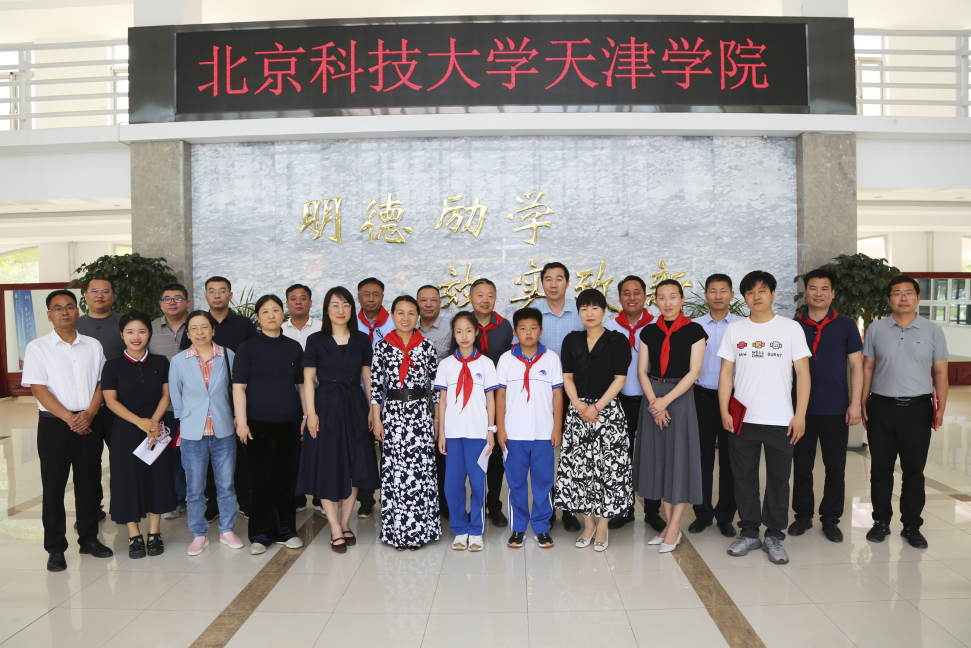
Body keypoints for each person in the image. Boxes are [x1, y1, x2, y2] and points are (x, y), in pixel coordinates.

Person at [718, 271, 811, 565]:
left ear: (772, 293)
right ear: (743, 297)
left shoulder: (790, 328)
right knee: (743, 478)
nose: (756, 296)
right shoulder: (735, 330)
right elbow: (726, 373)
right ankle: (748, 532)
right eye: (750, 292)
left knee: (778, 480)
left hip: (781, 419)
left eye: (762, 290)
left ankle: (774, 534)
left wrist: (800, 415)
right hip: (743, 419)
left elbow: (803, 374)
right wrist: (724, 410)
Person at [21, 289, 113, 572]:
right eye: (58, 308)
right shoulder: (38, 347)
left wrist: (90, 413)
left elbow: (102, 383)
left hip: (89, 421)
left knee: (88, 483)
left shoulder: (93, 345)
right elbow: (38, 388)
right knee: (53, 486)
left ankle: (89, 539)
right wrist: (70, 418)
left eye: (69, 306)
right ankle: (55, 548)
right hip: (55, 425)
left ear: (77, 311)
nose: (64, 311)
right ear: (49, 315)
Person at [862, 275, 948, 549]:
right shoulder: (876, 329)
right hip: (881, 407)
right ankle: (880, 522)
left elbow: (940, 372)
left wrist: (941, 407)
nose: (903, 298)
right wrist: (863, 402)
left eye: (908, 293)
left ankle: (911, 526)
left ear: (917, 298)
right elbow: (867, 367)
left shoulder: (933, 330)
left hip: (917, 409)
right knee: (880, 469)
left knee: (914, 471)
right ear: (889, 299)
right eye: (897, 293)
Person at [296, 286, 380, 554]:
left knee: (354, 468)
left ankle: (345, 523)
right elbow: (308, 378)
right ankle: (334, 528)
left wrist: (373, 409)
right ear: (326, 310)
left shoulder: (362, 339)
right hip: (326, 407)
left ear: (352, 309)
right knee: (328, 467)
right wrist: (310, 413)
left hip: (355, 406)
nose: (341, 310)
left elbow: (367, 377)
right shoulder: (316, 340)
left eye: (345, 305)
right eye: (335, 305)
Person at [789, 268, 864, 544]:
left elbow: (857, 367)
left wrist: (855, 403)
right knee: (802, 466)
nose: (818, 293)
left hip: (835, 408)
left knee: (835, 467)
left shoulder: (846, 325)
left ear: (832, 293)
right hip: (801, 410)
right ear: (805, 292)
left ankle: (831, 519)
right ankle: (802, 516)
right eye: (813, 288)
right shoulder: (792, 326)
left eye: (824, 289)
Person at [555, 289, 632, 552]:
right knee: (581, 470)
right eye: (584, 309)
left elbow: (620, 379)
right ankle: (588, 524)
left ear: (604, 310)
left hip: (607, 413)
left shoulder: (617, 340)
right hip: (578, 413)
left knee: (608, 469)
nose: (589, 313)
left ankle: (603, 525)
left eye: (595, 308)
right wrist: (579, 406)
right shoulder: (571, 340)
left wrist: (596, 407)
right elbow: (567, 377)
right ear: (579, 312)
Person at [636, 280, 707, 553]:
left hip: (680, 398)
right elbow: (642, 371)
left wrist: (665, 401)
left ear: (682, 299)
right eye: (662, 297)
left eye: (673, 297)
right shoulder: (648, 332)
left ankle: (675, 527)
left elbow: (694, 372)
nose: (667, 303)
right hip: (653, 396)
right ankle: (668, 525)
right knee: (661, 462)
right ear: (655, 301)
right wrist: (655, 403)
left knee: (679, 462)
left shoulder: (695, 331)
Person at [233, 295, 306, 555]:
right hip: (257, 423)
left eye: (275, 310)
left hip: (290, 421)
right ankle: (260, 535)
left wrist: (306, 416)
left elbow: (302, 386)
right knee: (261, 481)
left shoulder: (293, 347)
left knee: (286, 480)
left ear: (282, 313)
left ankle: (286, 531)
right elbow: (239, 388)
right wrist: (242, 422)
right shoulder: (247, 348)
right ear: (258, 317)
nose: (271, 315)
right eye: (265, 311)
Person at [179, 276, 256, 523]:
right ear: (205, 295)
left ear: (230, 295)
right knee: (206, 465)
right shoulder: (195, 325)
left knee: (239, 459)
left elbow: (252, 358)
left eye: (222, 291)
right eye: (212, 291)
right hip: (201, 412)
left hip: (233, 405)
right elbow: (183, 371)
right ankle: (212, 505)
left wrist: (240, 412)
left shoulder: (244, 325)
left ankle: (244, 502)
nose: (217, 295)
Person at [102, 311, 177, 559]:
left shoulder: (161, 363)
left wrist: (153, 422)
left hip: (156, 429)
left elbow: (166, 395)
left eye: (142, 331)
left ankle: (154, 532)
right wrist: (139, 422)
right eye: (130, 332)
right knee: (126, 479)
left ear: (149, 334)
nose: (136, 336)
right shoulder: (112, 365)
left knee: (157, 478)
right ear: (122, 335)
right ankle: (134, 534)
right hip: (125, 429)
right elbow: (110, 401)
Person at [169, 310, 243, 556]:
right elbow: (176, 395)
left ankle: (226, 529)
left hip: (223, 429)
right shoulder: (178, 361)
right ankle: (199, 533)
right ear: (188, 333)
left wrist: (236, 415)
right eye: (194, 328)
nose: (199, 332)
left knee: (226, 484)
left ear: (213, 330)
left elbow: (236, 389)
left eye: (204, 327)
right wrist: (186, 419)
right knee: (195, 487)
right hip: (193, 432)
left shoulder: (228, 355)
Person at [370, 295, 441, 550]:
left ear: (418, 317)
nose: (406, 318)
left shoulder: (427, 346)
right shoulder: (382, 346)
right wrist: (377, 419)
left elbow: (436, 388)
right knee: (396, 472)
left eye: (411, 313)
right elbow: (376, 387)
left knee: (421, 471)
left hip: (420, 414)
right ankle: (397, 532)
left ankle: (422, 531)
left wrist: (436, 419)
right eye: (400, 312)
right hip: (394, 415)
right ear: (392, 316)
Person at [496, 307, 563, 549]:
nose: (528, 333)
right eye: (523, 328)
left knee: (543, 482)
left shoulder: (551, 358)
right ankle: (518, 528)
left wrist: (557, 428)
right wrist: (500, 428)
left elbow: (558, 395)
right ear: (515, 332)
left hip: (543, 434)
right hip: (513, 434)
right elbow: (500, 396)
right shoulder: (506, 359)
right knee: (516, 483)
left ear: (541, 330)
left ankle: (542, 527)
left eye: (533, 328)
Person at [603, 275, 664, 532]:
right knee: (620, 458)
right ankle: (624, 509)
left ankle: (652, 511)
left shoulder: (658, 325)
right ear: (619, 298)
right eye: (626, 293)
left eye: (636, 292)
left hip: (652, 401)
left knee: (652, 457)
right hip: (620, 402)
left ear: (645, 296)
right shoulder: (608, 327)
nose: (631, 297)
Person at [434, 311, 499, 552]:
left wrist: (491, 430)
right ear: (454, 334)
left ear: (476, 332)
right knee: (452, 485)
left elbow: (490, 399)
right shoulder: (446, 365)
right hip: (452, 434)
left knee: (478, 483)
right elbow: (442, 400)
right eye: (459, 331)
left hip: (478, 434)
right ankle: (460, 529)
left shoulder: (486, 364)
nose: (464, 336)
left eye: (469, 331)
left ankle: (476, 530)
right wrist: (441, 433)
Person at [535, 262, 585, 533]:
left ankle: (569, 510)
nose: (553, 284)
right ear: (542, 283)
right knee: (545, 455)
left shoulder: (580, 313)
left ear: (567, 282)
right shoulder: (534, 315)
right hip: (541, 396)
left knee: (573, 453)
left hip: (575, 393)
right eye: (548, 279)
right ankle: (546, 508)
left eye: (559, 279)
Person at [690, 274, 740, 538]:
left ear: (732, 295)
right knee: (702, 458)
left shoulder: (743, 326)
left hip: (734, 400)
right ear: (706, 294)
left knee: (731, 459)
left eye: (723, 290)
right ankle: (702, 513)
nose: (718, 295)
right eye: (713, 290)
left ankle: (725, 516)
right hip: (702, 398)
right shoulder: (694, 326)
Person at [76, 277, 124, 515]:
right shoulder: (75, 324)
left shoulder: (125, 323)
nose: (100, 295)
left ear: (113, 295)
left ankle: (124, 507)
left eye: (105, 291)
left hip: (120, 405)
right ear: (85, 295)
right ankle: (92, 510)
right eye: (94, 291)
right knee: (87, 462)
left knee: (122, 458)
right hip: (87, 406)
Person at [469, 278, 513, 527]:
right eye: (479, 295)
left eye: (490, 295)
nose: (485, 300)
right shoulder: (463, 323)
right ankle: (475, 506)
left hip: (497, 399)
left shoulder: (504, 326)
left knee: (496, 455)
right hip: (470, 399)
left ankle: (494, 505)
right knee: (473, 455)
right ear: (470, 298)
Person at [150, 283, 191, 521]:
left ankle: (203, 498)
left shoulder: (197, 324)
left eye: (178, 298)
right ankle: (177, 500)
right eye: (167, 299)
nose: (172, 302)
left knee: (197, 454)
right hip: (164, 406)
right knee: (170, 456)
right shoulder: (151, 329)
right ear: (160, 304)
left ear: (187, 302)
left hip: (195, 405)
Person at [356, 277, 396, 519]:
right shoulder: (351, 323)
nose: (371, 299)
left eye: (376, 294)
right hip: (358, 395)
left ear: (382, 296)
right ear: (359, 297)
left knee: (388, 447)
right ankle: (366, 498)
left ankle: (389, 498)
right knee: (363, 448)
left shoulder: (393, 322)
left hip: (390, 396)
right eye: (366, 294)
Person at [281, 283, 322, 514]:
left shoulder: (322, 328)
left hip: (319, 395)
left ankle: (319, 497)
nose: (298, 302)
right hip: (290, 398)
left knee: (318, 446)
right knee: (293, 447)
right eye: (293, 298)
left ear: (310, 302)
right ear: (287, 303)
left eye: (303, 298)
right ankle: (296, 497)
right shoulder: (280, 329)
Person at [417, 284, 452, 517]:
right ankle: (423, 503)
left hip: (443, 402)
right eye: (423, 300)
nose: (428, 304)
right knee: (420, 456)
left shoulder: (450, 328)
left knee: (443, 455)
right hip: (415, 405)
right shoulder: (408, 327)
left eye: (433, 300)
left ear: (440, 303)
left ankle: (445, 505)